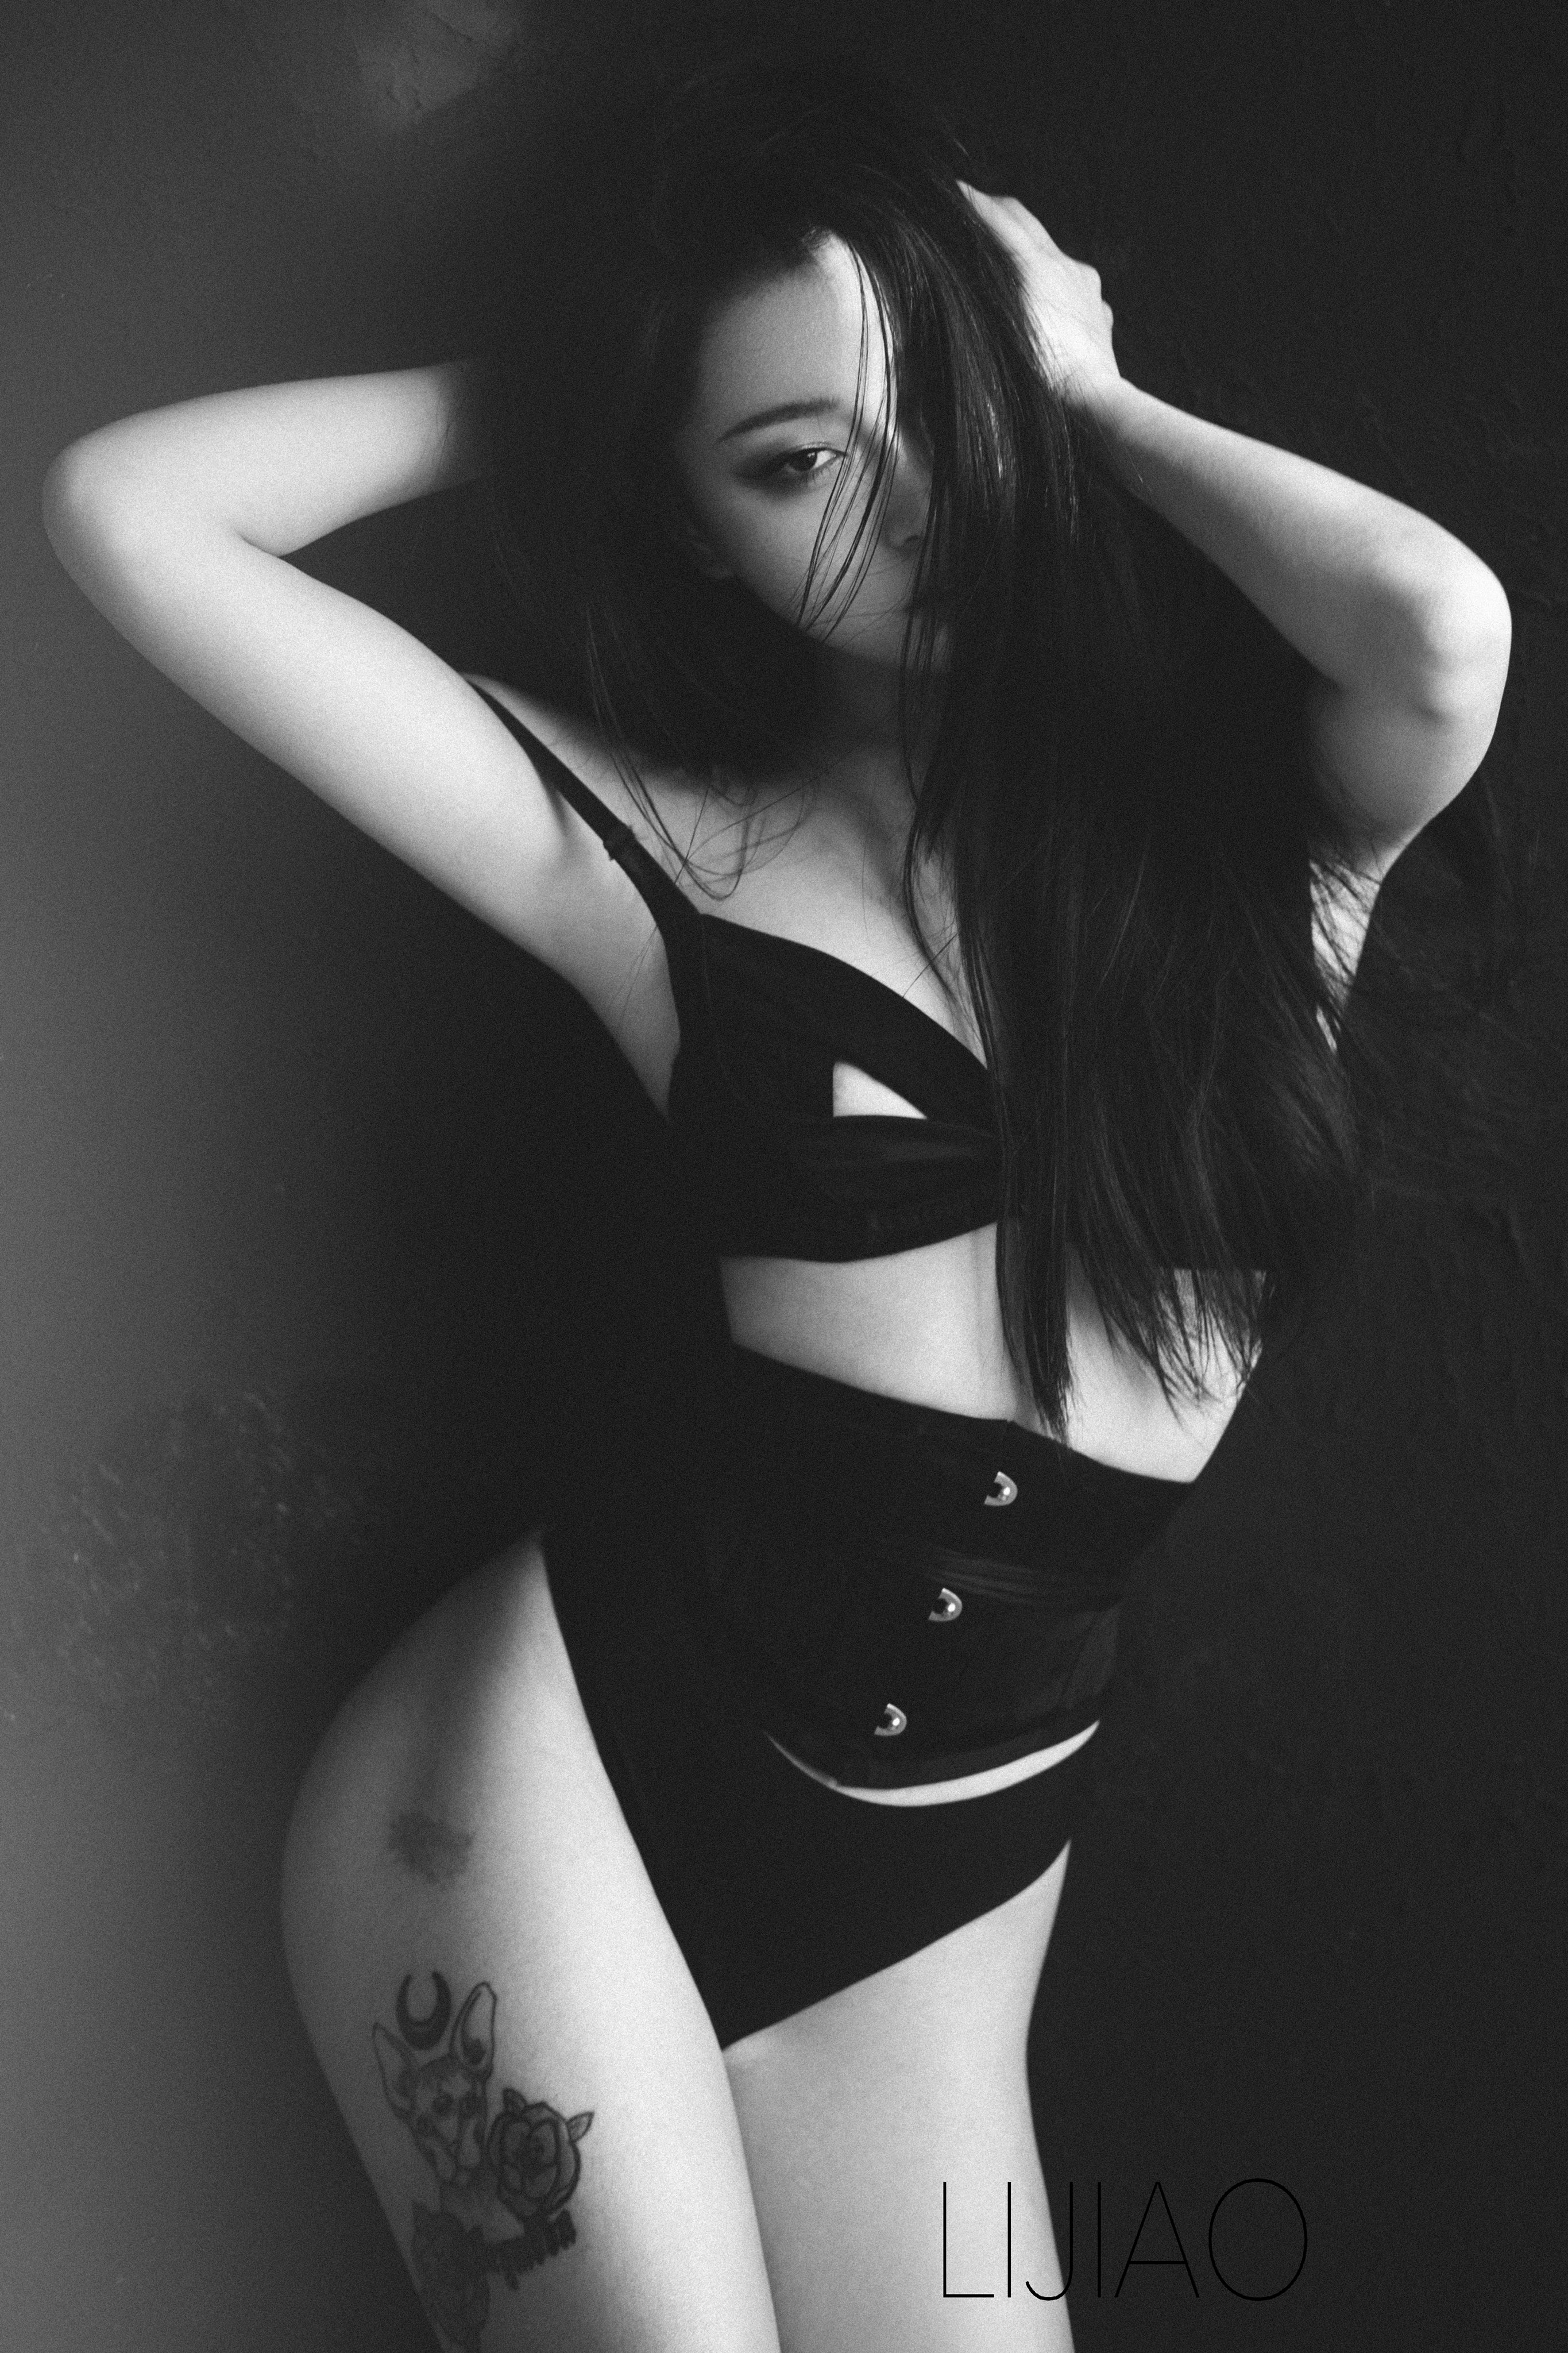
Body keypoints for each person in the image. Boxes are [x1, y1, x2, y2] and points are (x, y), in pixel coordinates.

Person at [42, 50, 1511, 2353]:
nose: (901, 502)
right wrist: (553, 390)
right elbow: (130, 514)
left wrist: (1080, 390)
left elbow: (1436, 625)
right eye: (790, 461)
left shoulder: (1260, 857)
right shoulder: (657, 857)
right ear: (692, 521)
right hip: (557, 1787)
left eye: (932, 406)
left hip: (931, 1910)